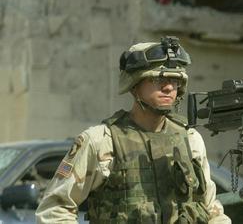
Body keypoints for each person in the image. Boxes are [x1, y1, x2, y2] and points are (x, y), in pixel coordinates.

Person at [36, 36, 231, 223]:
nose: (169, 88)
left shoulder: (190, 139)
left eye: (175, 81)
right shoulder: (101, 141)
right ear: (134, 85)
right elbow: (55, 209)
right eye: (158, 80)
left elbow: (210, 207)